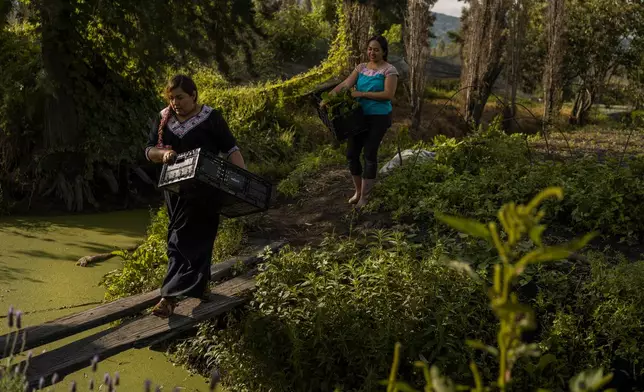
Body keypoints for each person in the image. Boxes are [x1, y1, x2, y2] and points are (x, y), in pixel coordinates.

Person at [145, 74, 246, 318]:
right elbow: (149, 150)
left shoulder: (211, 118)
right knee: (177, 236)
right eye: (171, 98)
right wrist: (163, 155)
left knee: (199, 237)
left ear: (193, 95)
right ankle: (198, 287)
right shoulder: (163, 119)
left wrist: (242, 182)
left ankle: (168, 298)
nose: (175, 102)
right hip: (177, 190)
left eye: (180, 97)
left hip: (207, 189)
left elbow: (231, 149)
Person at [324, 35, 398, 208]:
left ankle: (365, 197)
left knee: (369, 154)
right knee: (351, 154)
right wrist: (327, 98)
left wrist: (362, 94)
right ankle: (358, 191)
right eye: (370, 49)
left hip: (379, 118)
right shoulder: (361, 68)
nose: (372, 52)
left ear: (384, 52)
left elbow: (388, 95)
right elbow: (345, 85)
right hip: (358, 117)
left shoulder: (389, 70)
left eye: (376, 49)